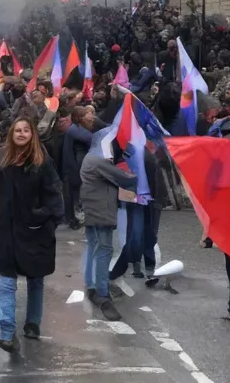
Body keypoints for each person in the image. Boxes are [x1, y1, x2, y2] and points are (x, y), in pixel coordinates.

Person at [0, 115, 64, 353]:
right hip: (6, 230)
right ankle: (7, 333)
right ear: (11, 134)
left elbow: (54, 193)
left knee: (35, 279)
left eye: (25, 130)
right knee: (7, 282)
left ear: (32, 134)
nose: (21, 134)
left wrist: (46, 217)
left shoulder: (43, 162)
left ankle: (32, 323)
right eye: (17, 130)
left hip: (35, 230)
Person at [79, 124, 136, 321]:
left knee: (95, 246)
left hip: (93, 209)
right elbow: (125, 179)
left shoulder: (91, 158)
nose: (112, 148)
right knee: (104, 249)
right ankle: (101, 291)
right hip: (101, 210)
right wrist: (139, 170)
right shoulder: (98, 161)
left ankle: (91, 284)